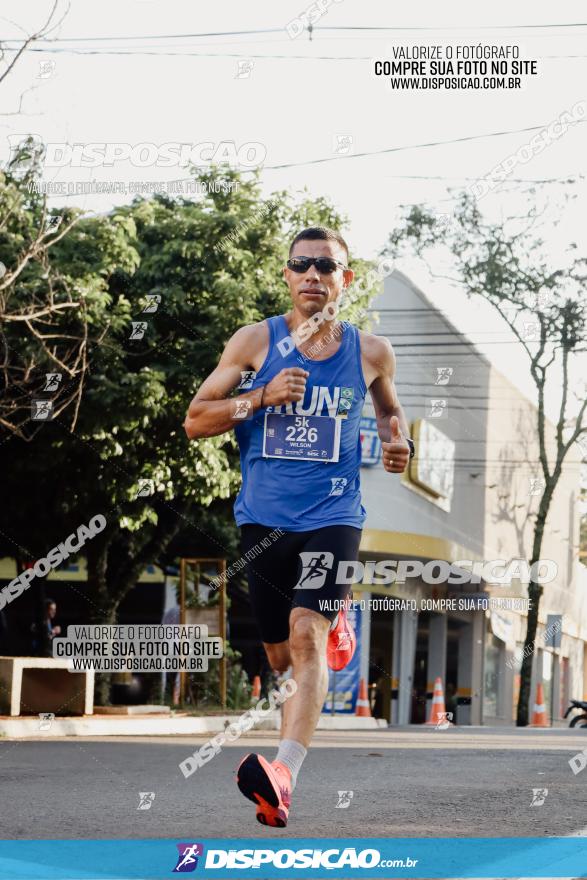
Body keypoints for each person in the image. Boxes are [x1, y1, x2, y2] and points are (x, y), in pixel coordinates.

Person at [184, 225, 413, 827]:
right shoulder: (255, 342)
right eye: (302, 265)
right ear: (286, 275)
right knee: (282, 657)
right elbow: (196, 419)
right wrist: (257, 399)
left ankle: (284, 773)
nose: (314, 275)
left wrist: (398, 439)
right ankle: (335, 632)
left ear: (346, 279)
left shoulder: (370, 351)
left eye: (326, 266)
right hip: (264, 519)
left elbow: (389, 410)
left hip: (334, 516)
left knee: (307, 637)